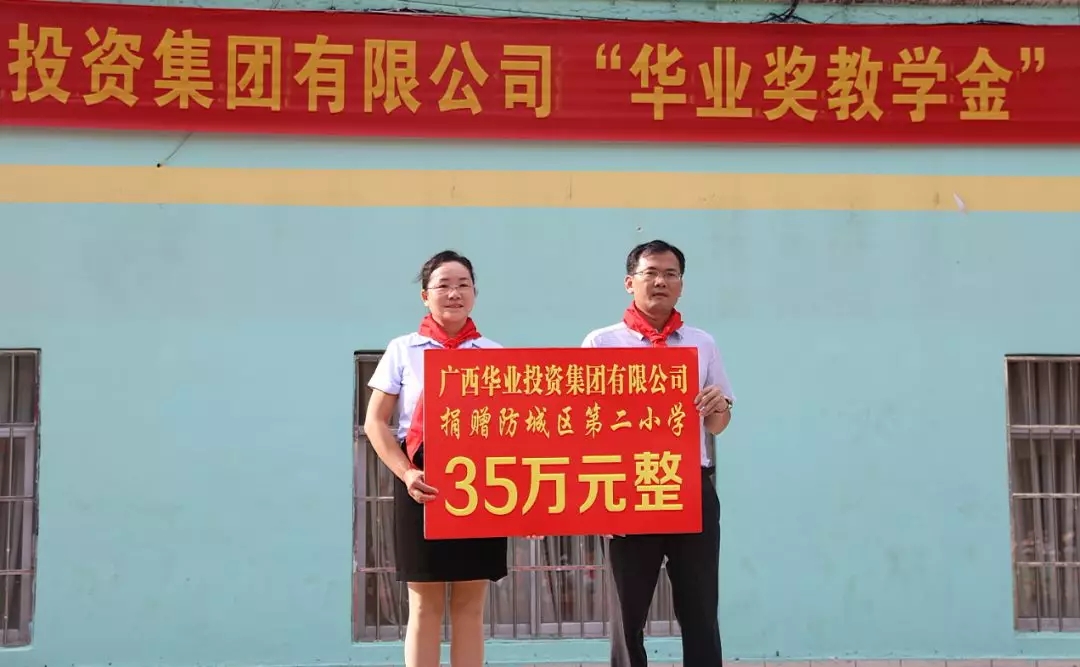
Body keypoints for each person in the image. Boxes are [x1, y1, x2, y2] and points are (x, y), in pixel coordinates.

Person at [582, 240, 735, 667]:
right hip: (627, 490)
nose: (660, 282)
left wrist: (718, 406)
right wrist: (600, 502)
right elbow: (582, 426)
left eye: (671, 274)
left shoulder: (702, 343)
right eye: (650, 273)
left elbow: (718, 424)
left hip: (689, 485)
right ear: (629, 282)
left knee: (700, 608)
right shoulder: (602, 343)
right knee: (628, 614)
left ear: (681, 285)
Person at [364, 250, 508, 667]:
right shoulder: (403, 349)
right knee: (424, 604)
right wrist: (406, 473)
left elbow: (512, 431)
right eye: (443, 285)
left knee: (470, 605)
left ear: (475, 294)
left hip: (481, 483)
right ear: (425, 296)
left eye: (463, 285)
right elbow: (376, 422)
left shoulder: (494, 354)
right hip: (420, 479)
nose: (454, 293)